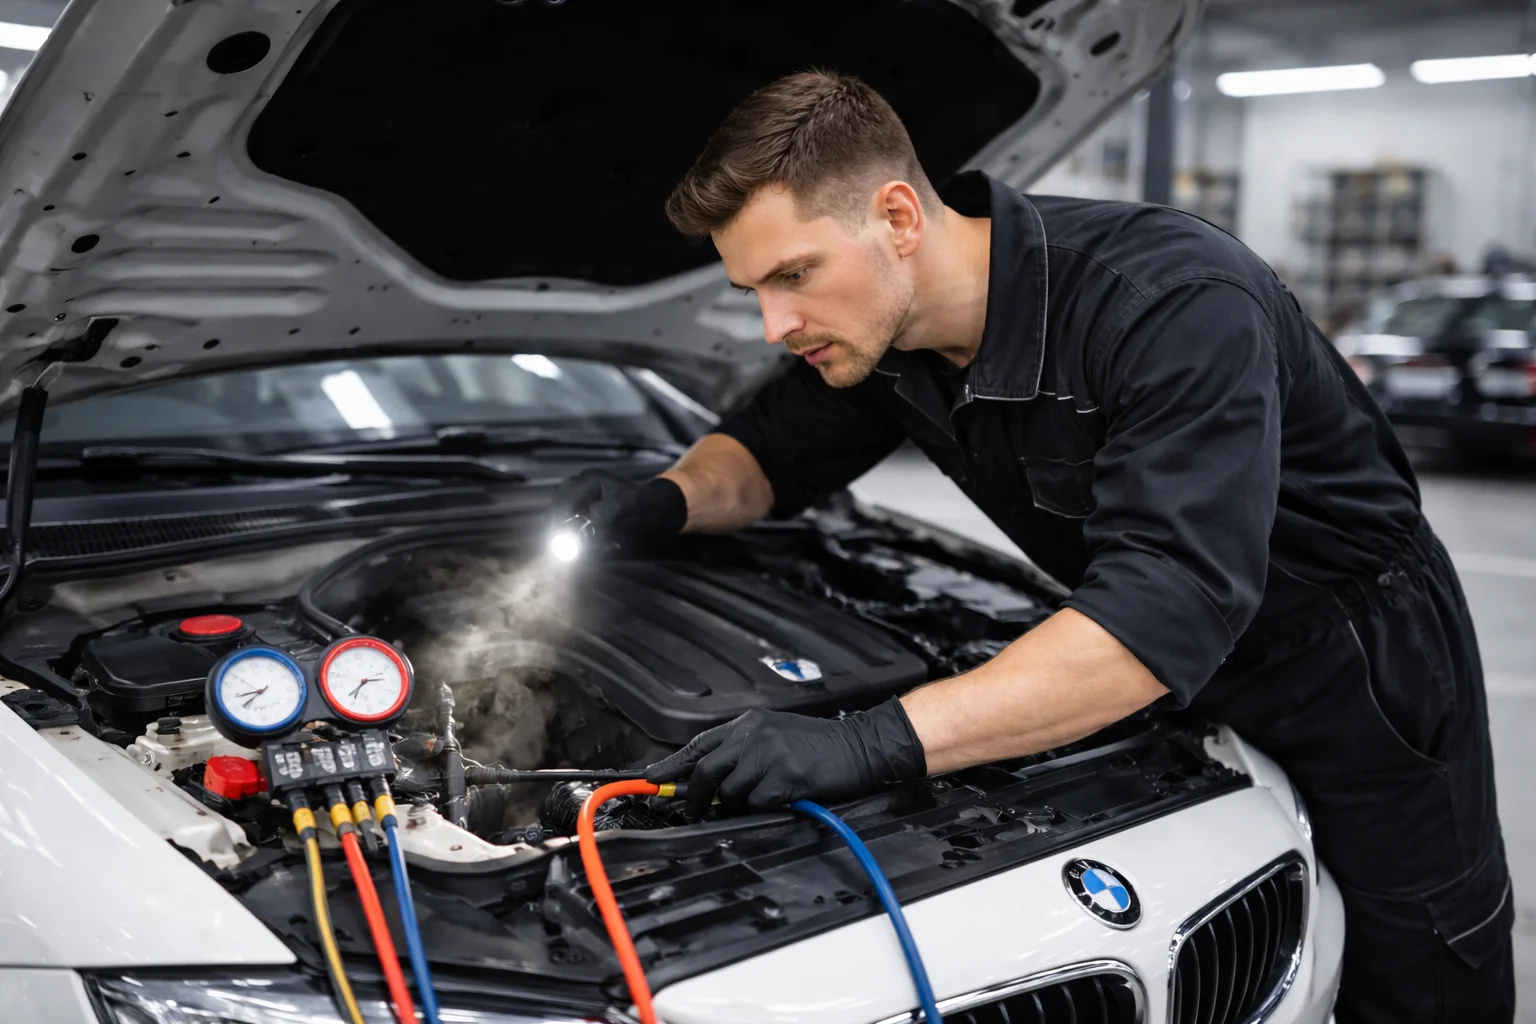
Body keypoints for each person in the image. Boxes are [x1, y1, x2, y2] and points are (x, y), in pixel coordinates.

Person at [548, 72, 1512, 1022]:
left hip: (1351, 659)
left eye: (793, 275)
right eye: (753, 288)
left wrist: (870, 741)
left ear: (897, 216)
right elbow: (768, 455)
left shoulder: (1170, 302)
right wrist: (662, 501)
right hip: (1148, 648)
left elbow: (1164, 608)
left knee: (1420, 958)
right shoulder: (878, 332)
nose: (775, 322)